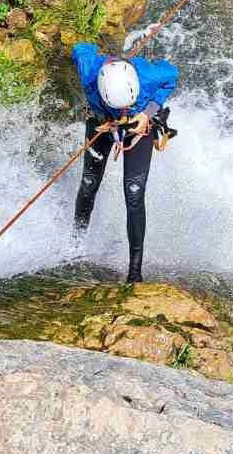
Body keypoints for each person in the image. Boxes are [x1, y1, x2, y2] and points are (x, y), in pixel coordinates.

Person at [71, 42, 178, 284]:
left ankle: (134, 272)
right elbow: (80, 48)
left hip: (138, 125)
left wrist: (147, 112)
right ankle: (75, 250)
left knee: (134, 192)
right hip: (102, 123)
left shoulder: (147, 76)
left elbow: (172, 74)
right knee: (88, 184)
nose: (123, 110)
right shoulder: (90, 72)